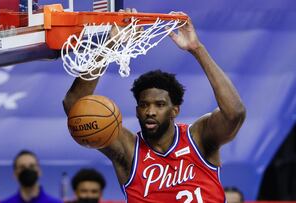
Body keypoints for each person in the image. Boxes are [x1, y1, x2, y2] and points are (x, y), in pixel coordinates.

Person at [63, 10, 246, 202]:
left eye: (159, 105)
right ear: (137, 111)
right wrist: (109, 46)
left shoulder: (198, 138)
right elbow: (74, 106)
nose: (150, 112)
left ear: (175, 110)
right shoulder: (129, 150)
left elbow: (235, 113)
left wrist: (197, 49)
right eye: (144, 105)